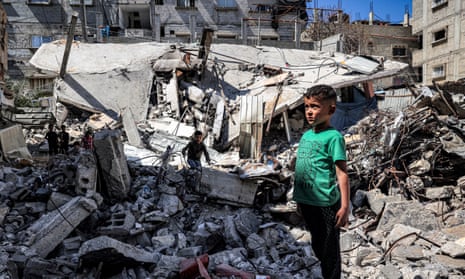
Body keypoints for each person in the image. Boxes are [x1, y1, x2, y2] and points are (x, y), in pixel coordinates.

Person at [293, 85, 350, 279]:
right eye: (307, 106)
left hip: (326, 203)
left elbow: (342, 173)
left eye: (315, 107)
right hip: (307, 202)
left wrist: (344, 206)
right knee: (318, 244)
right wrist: (299, 200)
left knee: (330, 251)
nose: (309, 111)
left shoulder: (334, 137)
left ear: (331, 110)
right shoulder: (306, 136)